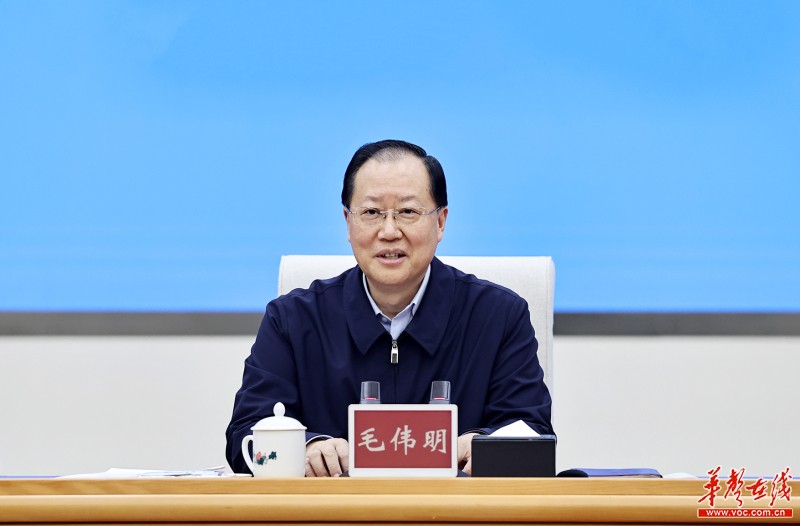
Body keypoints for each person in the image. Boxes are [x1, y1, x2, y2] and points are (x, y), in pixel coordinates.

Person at [225, 139, 553, 476]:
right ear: (348, 222)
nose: (389, 231)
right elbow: (245, 434)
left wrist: (487, 445)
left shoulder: (499, 317)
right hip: (336, 508)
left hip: (455, 508)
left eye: (408, 212)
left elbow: (533, 432)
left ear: (441, 221)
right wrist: (308, 447)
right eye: (371, 213)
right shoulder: (292, 320)